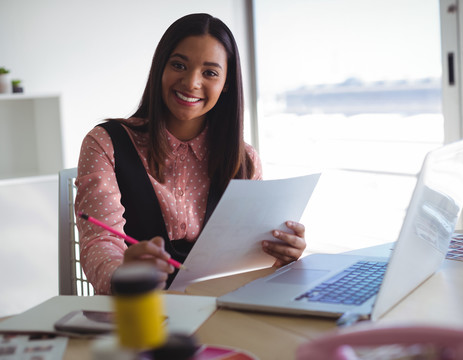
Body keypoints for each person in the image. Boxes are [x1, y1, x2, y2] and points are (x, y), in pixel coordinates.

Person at [74, 13, 307, 295]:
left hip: (219, 309)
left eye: (209, 72)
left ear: (226, 83)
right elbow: (99, 242)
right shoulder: (105, 143)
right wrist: (124, 275)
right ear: (160, 67)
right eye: (179, 65)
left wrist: (280, 257)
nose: (191, 82)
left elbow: (248, 262)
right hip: (137, 309)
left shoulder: (244, 160)